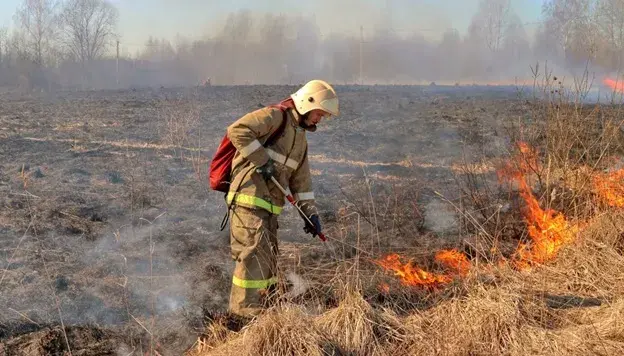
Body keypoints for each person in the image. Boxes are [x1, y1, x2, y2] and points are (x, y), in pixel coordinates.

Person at [224, 79, 339, 319]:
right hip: (248, 199)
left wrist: (311, 214)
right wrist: (262, 161)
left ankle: (263, 309)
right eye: (319, 113)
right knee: (253, 255)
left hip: (269, 206)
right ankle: (242, 315)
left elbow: (302, 182)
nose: (320, 119)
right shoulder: (276, 117)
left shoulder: (300, 138)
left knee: (268, 257)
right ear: (308, 104)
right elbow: (238, 130)